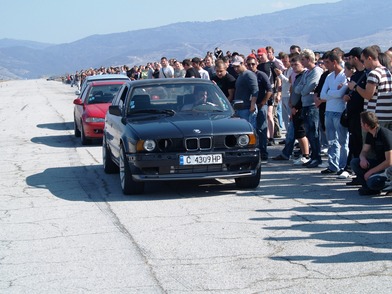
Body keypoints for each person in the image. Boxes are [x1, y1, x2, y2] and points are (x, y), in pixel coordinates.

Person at [348, 46, 392, 130]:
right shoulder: (386, 71)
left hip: (375, 118)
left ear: (369, 58)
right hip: (387, 116)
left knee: (370, 142)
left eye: (363, 60)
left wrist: (355, 87)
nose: (363, 63)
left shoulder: (374, 73)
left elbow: (368, 95)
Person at [320, 50, 349, 174]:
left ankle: (343, 165)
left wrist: (331, 93)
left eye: (328, 62)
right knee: (331, 140)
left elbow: (340, 93)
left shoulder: (345, 75)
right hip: (329, 111)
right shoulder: (329, 76)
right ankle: (333, 165)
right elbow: (322, 95)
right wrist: (334, 92)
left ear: (335, 62)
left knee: (343, 141)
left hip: (339, 111)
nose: (326, 65)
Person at [350, 111, 392, 195]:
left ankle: (389, 185)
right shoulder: (370, 134)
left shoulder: (384, 134)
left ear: (366, 125)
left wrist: (370, 172)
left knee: (373, 182)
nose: (361, 125)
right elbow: (364, 151)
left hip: (388, 167)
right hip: (379, 163)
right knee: (355, 162)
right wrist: (363, 159)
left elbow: (389, 162)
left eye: (361, 123)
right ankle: (369, 188)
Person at [294, 49, 324, 168]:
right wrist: (303, 89)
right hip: (305, 105)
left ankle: (317, 157)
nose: (301, 62)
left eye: (303, 59)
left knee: (313, 132)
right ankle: (313, 156)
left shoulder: (316, 72)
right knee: (309, 133)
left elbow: (307, 88)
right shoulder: (306, 73)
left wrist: (304, 89)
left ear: (309, 59)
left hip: (312, 106)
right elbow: (298, 88)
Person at [343, 47, 367, 183]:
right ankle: (358, 174)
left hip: (361, 115)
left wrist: (355, 89)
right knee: (354, 145)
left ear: (356, 58)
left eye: (350, 58)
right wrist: (347, 95)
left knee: (361, 145)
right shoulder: (356, 75)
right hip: (352, 115)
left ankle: (363, 175)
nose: (348, 60)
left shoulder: (366, 74)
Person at [246, 55, 273, 160]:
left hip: (260, 106)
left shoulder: (261, 75)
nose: (251, 66)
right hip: (248, 106)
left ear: (257, 64)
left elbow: (270, 90)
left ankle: (263, 152)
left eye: (253, 64)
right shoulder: (245, 75)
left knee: (261, 129)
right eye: (248, 64)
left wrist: (262, 103)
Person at [232, 55, 258, 128]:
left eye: (237, 66)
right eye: (234, 67)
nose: (236, 69)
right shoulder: (240, 75)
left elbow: (255, 90)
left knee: (249, 130)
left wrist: (252, 105)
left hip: (247, 108)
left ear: (242, 63)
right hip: (239, 108)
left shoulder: (249, 74)